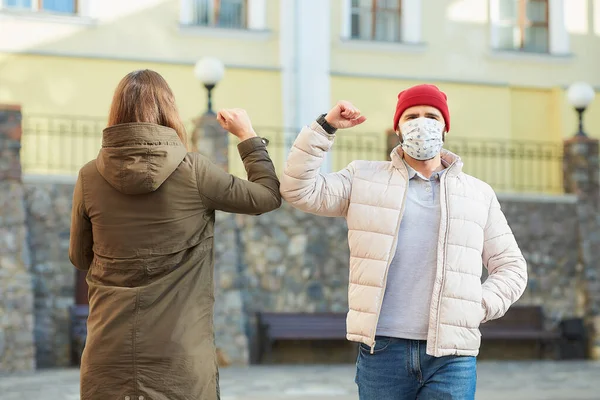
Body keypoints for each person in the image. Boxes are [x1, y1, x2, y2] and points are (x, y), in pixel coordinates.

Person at [280, 84, 527, 400]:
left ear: (445, 126)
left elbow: (512, 268)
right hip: (383, 350)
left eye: (431, 115)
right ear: (398, 127)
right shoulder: (364, 179)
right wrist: (325, 128)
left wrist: (477, 306)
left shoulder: (478, 193)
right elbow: (299, 190)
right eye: (412, 116)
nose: (422, 123)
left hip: (453, 356)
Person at [69, 69, 281, 400]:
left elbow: (80, 257)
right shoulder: (195, 172)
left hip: (107, 355)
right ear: (169, 109)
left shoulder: (89, 176)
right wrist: (247, 136)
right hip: (180, 359)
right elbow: (266, 196)